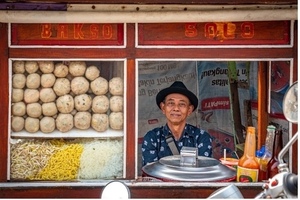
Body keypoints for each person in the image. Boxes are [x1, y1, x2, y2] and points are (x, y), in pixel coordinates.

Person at [141, 81, 213, 166]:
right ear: (163, 107)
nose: (176, 108)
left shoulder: (201, 137)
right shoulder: (152, 138)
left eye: (182, 104)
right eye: (171, 103)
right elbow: (151, 174)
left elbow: (203, 173)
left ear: (189, 110)